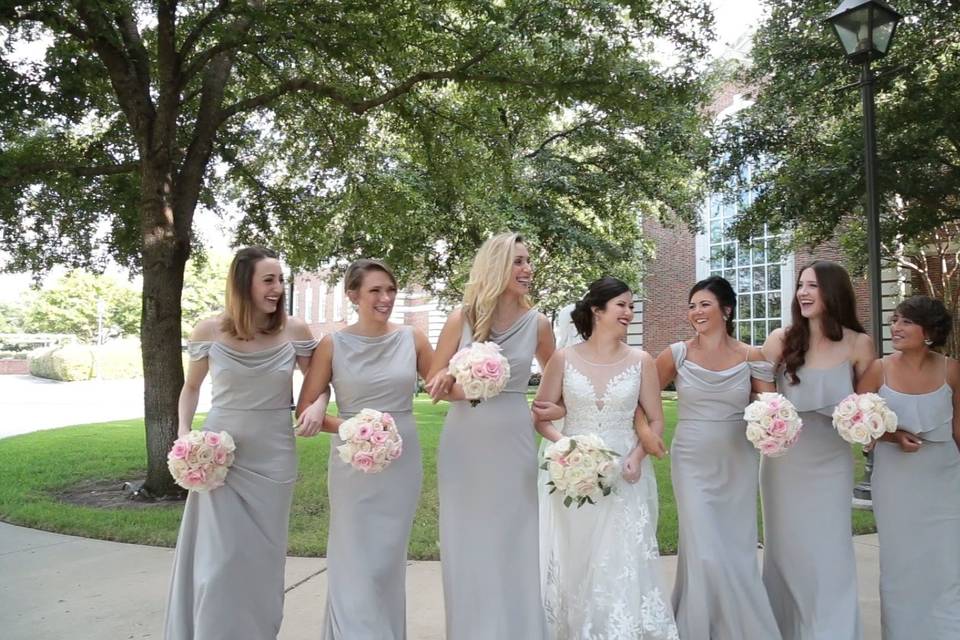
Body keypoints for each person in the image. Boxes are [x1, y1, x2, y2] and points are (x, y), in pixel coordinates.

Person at [164, 246, 318, 640]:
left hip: (274, 456)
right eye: (269, 279)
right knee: (220, 560)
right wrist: (185, 434)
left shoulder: (296, 331)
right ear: (243, 283)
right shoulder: (208, 330)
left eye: (281, 279)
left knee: (263, 560)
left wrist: (317, 407)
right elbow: (191, 388)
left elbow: (319, 386)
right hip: (220, 457)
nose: (278, 288)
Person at [426, 232, 554, 639]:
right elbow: (433, 382)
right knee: (468, 539)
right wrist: (459, 383)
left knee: (513, 535)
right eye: (518, 261)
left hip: (512, 440)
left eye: (528, 261)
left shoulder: (539, 323)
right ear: (497, 266)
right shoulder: (461, 318)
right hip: (465, 444)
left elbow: (561, 381)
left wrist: (555, 410)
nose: (527, 269)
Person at [295, 258, 432, 639]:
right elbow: (307, 412)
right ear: (353, 295)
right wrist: (353, 427)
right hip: (353, 464)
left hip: (402, 463)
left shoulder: (413, 338)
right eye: (375, 290)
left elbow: (443, 384)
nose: (386, 297)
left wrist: (476, 370)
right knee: (355, 559)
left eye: (390, 289)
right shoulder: (332, 344)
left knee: (387, 560)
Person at [536, 276, 678, 639]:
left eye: (632, 306)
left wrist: (636, 457)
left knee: (620, 559)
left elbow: (656, 419)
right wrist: (565, 447)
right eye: (622, 305)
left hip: (623, 474)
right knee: (576, 558)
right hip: (573, 472)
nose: (629, 312)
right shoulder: (563, 359)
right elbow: (540, 416)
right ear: (597, 310)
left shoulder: (641, 360)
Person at [656, 275, 780, 639]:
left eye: (704, 304)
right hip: (691, 460)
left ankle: (737, 626)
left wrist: (775, 424)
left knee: (737, 547)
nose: (696, 311)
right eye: (692, 305)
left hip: (737, 462)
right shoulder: (675, 354)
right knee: (703, 548)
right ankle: (698, 626)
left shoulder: (751, 357)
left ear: (726, 310)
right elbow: (641, 397)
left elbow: (770, 408)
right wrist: (647, 433)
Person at [760, 260, 874, 639]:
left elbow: (867, 403)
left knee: (830, 551)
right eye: (800, 285)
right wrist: (769, 421)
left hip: (832, 460)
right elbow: (761, 397)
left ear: (834, 292)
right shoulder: (781, 339)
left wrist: (866, 427)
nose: (803, 293)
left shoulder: (859, 344)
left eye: (813, 286)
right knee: (786, 550)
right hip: (784, 463)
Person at [856, 296, 960, 639]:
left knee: (946, 563)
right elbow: (858, 422)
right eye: (895, 320)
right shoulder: (877, 369)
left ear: (928, 331)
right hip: (896, 480)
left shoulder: (952, 370)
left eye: (906, 322)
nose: (895, 328)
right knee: (901, 563)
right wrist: (892, 436)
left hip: (945, 477)